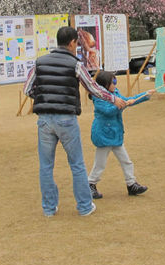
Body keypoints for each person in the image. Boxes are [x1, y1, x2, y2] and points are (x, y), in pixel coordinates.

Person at [24, 26, 125, 217]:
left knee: (46, 166)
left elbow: (27, 89)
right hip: (66, 119)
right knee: (77, 164)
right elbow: (93, 88)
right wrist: (113, 98)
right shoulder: (75, 64)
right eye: (77, 43)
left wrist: (43, 98)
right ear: (71, 42)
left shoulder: (39, 62)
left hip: (44, 119)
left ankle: (49, 208)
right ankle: (85, 206)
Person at [87, 70, 152, 199]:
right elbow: (108, 111)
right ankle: (90, 184)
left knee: (126, 161)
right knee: (100, 164)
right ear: (105, 84)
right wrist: (122, 105)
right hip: (103, 135)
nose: (115, 84)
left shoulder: (115, 93)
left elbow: (127, 100)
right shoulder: (98, 97)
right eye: (113, 82)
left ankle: (131, 184)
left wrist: (145, 95)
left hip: (115, 134)